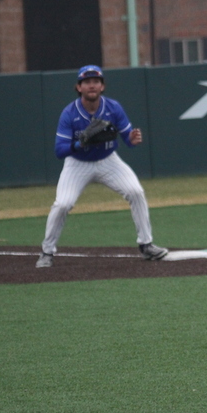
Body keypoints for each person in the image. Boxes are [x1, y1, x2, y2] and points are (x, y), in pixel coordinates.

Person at [36, 65, 168, 268]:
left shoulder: (113, 107)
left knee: (136, 191)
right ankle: (47, 252)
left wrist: (133, 139)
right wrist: (81, 143)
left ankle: (146, 245)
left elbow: (128, 139)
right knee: (62, 204)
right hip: (77, 164)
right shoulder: (69, 113)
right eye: (87, 82)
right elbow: (59, 151)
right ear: (79, 87)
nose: (92, 85)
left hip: (108, 160)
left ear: (102, 86)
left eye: (96, 81)